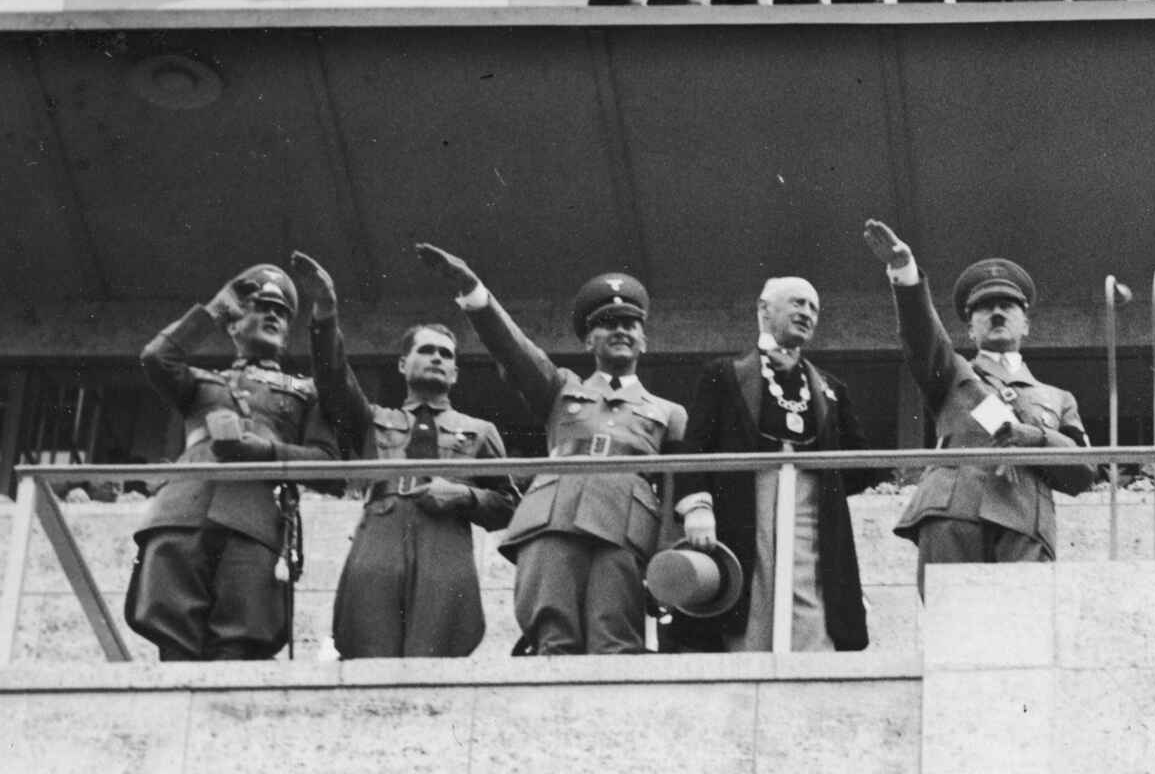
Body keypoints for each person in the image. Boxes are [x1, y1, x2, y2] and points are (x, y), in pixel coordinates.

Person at [416, 243, 688, 655]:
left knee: (615, 639)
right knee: (552, 635)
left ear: (644, 340)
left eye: (630, 323)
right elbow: (514, 348)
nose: (620, 330)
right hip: (552, 520)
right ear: (587, 341)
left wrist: (667, 562)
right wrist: (474, 292)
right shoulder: (560, 389)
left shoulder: (670, 413)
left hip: (625, 531)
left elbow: (676, 493)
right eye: (608, 322)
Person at [290, 251, 518, 659]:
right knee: (370, 650)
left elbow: (508, 506)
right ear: (401, 363)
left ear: (455, 374)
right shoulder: (373, 418)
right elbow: (334, 378)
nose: (437, 358)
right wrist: (325, 312)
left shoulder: (482, 432)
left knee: (437, 654)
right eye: (427, 350)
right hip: (381, 534)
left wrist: (465, 496)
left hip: (445, 543)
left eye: (446, 355)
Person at [862, 219, 1095, 593]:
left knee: (1023, 642)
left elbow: (1083, 471)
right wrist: (904, 273)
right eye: (984, 309)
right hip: (954, 517)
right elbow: (924, 336)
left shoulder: (1057, 398)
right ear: (970, 329)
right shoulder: (953, 372)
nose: (997, 313)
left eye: (1007, 306)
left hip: (1024, 524)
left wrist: (1033, 438)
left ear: (1026, 325)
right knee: (952, 636)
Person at [126, 263, 341, 660]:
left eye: (282, 311)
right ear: (233, 324)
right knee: (174, 635)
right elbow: (157, 357)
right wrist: (214, 309)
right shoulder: (201, 383)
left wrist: (260, 452)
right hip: (183, 515)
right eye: (260, 306)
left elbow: (328, 465)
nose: (274, 314)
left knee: (240, 641)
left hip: (253, 522)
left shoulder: (305, 392)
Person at [672, 276, 882, 651]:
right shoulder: (724, 374)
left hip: (810, 515)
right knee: (749, 606)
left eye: (814, 308)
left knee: (814, 608)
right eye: (798, 303)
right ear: (764, 310)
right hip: (745, 510)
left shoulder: (830, 388)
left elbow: (859, 462)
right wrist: (697, 507)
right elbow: (695, 445)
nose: (807, 314)